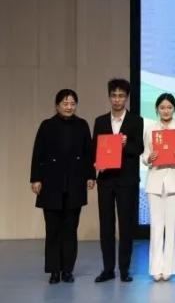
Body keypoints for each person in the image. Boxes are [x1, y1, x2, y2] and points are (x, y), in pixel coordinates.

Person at [30, 89, 94, 284]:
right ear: (57, 105)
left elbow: (89, 153)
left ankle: (67, 270)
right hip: (51, 183)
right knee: (53, 230)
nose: (69, 107)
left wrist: (91, 176)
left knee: (70, 230)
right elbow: (38, 153)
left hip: (75, 183)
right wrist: (36, 179)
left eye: (72, 103)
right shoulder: (47, 125)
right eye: (65, 103)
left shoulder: (82, 125)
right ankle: (54, 271)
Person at [92, 79, 143, 283]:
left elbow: (139, 149)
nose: (117, 99)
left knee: (126, 225)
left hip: (126, 180)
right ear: (109, 97)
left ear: (127, 98)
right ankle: (107, 269)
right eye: (114, 95)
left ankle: (124, 269)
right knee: (106, 225)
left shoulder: (136, 121)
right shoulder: (100, 121)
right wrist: (97, 163)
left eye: (121, 96)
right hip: (105, 179)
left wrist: (125, 144)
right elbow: (95, 149)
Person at [142, 93, 175, 282]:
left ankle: (168, 267)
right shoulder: (150, 129)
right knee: (156, 226)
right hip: (155, 181)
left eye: (169, 107)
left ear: (174, 109)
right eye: (162, 107)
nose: (166, 111)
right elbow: (144, 155)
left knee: (171, 227)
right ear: (157, 109)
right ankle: (156, 268)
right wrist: (149, 158)